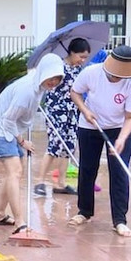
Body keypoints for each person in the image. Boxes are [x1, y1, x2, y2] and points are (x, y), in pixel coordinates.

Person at [0, 54, 65, 234]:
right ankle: (20, 221)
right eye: (51, 78)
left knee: (14, 172)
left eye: (58, 79)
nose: (54, 82)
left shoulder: (38, 83)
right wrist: (22, 141)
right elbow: (8, 120)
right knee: (16, 172)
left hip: (9, 129)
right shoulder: (27, 91)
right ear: (44, 73)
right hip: (0, 130)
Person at [68, 45, 131, 237]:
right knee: (87, 168)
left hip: (120, 127)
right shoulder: (92, 73)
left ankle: (119, 219)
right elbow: (75, 93)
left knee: (119, 171)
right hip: (90, 125)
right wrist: (85, 111)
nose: (115, 78)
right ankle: (84, 211)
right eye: (113, 75)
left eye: (120, 76)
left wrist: (121, 139)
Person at [34, 38, 91, 196]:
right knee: (54, 145)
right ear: (72, 52)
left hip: (72, 112)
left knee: (69, 146)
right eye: (81, 56)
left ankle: (61, 183)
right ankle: (39, 181)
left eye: (85, 57)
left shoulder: (78, 70)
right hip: (56, 111)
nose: (83, 60)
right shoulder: (58, 67)